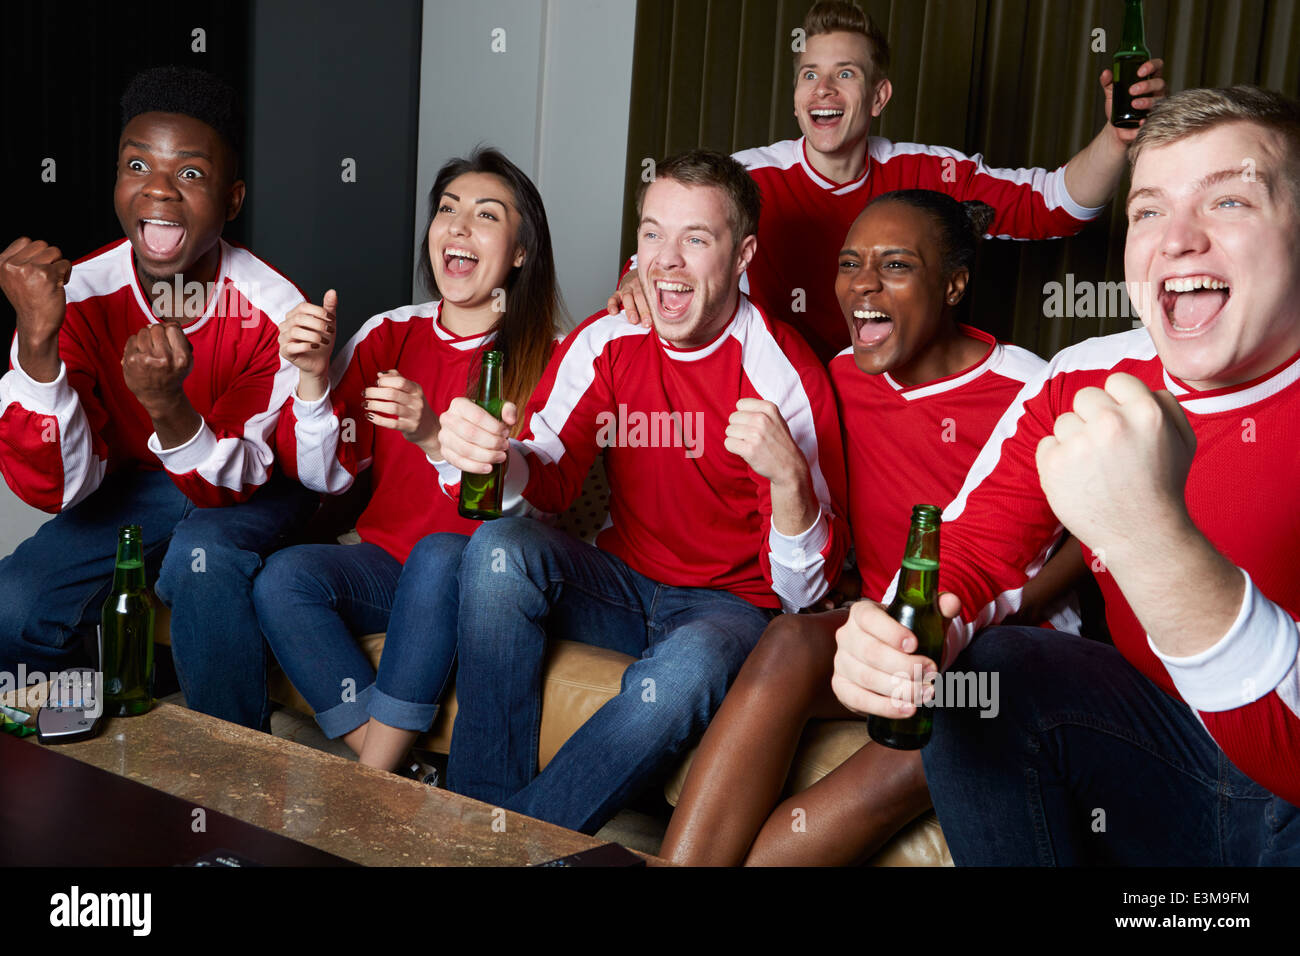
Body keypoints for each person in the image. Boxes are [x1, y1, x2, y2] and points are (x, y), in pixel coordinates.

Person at [832, 86, 1300, 865]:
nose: (1177, 240)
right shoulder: (1085, 376)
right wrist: (899, 636)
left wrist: (1154, 538)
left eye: (1228, 202)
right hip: (1165, 750)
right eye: (1148, 210)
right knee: (990, 675)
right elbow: (972, 550)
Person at [660, 190, 1087, 865]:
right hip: (883, 637)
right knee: (789, 641)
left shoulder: (1031, 388)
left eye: (894, 266)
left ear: (953, 283)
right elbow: (723, 320)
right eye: (850, 263)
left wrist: (1018, 603)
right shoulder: (837, 380)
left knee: (929, 743)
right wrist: (635, 284)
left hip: (1007, 650)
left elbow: (1096, 538)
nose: (862, 284)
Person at [433, 149, 851, 834]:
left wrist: (789, 482)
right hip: (621, 585)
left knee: (689, 667)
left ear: (743, 255)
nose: (666, 260)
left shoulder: (784, 376)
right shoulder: (609, 338)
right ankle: (485, 815)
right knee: (499, 545)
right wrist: (494, 458)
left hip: (728, 610)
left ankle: (506, 848)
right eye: (653, 234)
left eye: (697, 238)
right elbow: (553, 473)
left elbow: (804, 596)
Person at [0, 66, 315, 729]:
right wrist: (36, 344)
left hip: (249, 485)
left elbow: (241, 479)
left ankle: (230, 777)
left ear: (232, 201)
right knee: (15, 602)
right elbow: (55, 491)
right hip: (137, 486)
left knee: (204, 570)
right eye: (136, 164)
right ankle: (91, 734)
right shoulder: (78, 295)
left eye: (190, 174)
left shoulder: (275, 309)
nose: (159, 190)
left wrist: (170, 409)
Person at [609, 0, 1168, 363]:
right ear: (797, 97)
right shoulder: (750, 173)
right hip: (775, 388)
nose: (823, 89)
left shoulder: (926, 170)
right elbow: (672, 238)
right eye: (810, 75)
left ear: (878, 98)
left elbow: (1054, 205)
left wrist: (1117, 140)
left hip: (886, 390)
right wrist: (634, 276)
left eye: (844, 75)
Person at [255, 148, 561, 771]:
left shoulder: (556, 355)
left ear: (522, 251)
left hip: (477, 578)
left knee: (439, 552)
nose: (457, 226)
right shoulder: (389, 332)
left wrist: (430, 434)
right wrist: (313, 381)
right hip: (384, 566)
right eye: (447, 209)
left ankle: (371, 779)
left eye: (485, 215)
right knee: (283, 578)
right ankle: (392, 763)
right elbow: (323, 475)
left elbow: (534, 503)